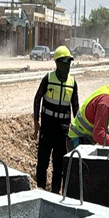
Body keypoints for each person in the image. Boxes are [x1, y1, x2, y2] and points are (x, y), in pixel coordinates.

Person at [32, 45, 80, 192]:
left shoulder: (72, 83)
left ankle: (55, 194)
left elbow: (76, 107)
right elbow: (37, 98)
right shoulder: (48, 78)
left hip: (63, 130)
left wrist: (77, 130)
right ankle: (40, 190)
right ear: (57, 62)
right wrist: (36, 122)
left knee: (59, 165)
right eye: (63, 61)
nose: (66, 65)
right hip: (47, 127)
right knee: (43, 162)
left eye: (69, 62)